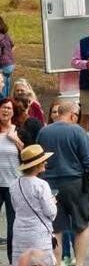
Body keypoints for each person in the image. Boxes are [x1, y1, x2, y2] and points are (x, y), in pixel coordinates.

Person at [37, 101, 89, 265]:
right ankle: (79, 263)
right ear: (73, 114)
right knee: (81, 226)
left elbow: (38, 159)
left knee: (55, 228)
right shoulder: (77, 131)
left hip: (50, 185)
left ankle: (56, 262)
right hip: (75, 185)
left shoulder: (44, 132)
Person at [11, 145, 57, 266]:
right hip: (38, 234)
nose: (45, 162)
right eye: (43, 161)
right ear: (37, 165)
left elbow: (16, 208)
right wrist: (53, 202)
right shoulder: (41, 185)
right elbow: (51, 212)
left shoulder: (14, 185)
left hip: (20, 233)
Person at [0, 99, 23, 263]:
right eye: (2, 107)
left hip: (13, 186)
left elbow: (29, 154)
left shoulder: (19, 131)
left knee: (12, 226)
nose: (5, 111)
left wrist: (15, 140)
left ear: (13, 112)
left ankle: (12, 260)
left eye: (9, 108)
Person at [0, 17, 13, 99]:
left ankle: (2, 103)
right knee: (7, 83)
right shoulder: (6, 35)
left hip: (3, 65)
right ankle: (7, 100)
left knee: (1, 87)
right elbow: (12, 45)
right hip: (10, 64)